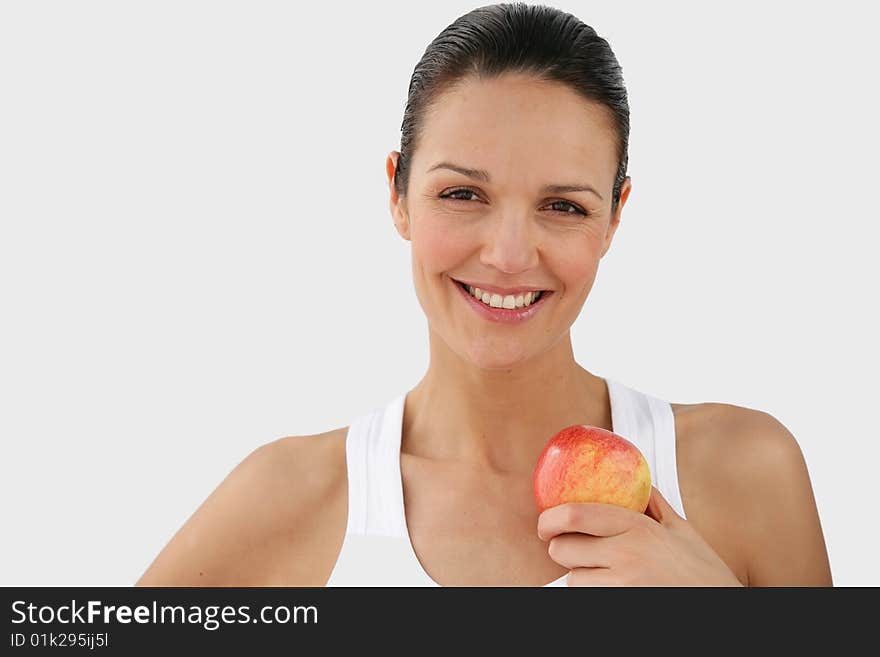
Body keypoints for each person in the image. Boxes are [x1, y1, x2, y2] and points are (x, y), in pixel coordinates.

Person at [136, 2, 832, 587]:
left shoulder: (744, 473)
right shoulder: (293, 498)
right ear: (397, 194)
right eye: (462, 193)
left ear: (615, 216)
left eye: (563, 206)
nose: (506, 255)